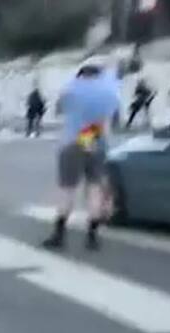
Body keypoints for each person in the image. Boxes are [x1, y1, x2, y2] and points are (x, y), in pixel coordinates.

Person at [42, 58, 121, 251]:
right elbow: (113, 118)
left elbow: (59, 110)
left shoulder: (71, 89)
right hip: (98, 142)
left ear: (81, 74)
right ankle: (92, 237)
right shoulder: (110, 92)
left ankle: (59, 235)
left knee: (67, 189)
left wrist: (83, 130)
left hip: (73, 141)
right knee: (94, 189)